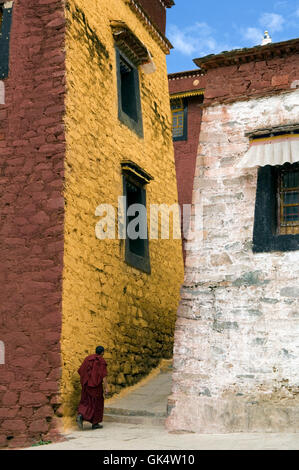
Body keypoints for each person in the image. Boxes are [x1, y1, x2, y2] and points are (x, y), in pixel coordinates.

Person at [76, 345, 109, 430]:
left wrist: (85, 381)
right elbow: (103, 376)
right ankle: (95, 423)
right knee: (96, 404)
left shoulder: (88, 358)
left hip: (86, 385)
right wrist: (106, 387)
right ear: (102, 353)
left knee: (86, 402)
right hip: (96, 387)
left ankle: (81, 415)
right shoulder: (101, 361)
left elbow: (81, 371)